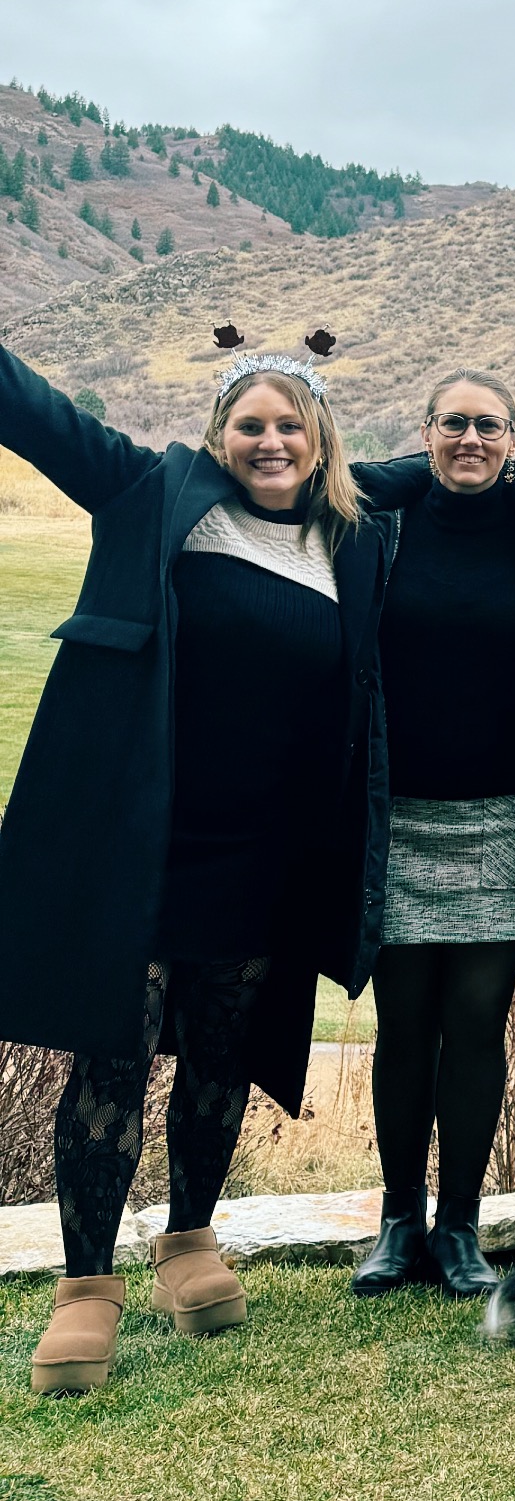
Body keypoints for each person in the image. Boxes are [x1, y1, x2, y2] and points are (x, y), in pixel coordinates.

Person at [2, 336, 388, 1396]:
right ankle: (86, 1287)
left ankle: (188, 1241)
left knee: (222, 1053)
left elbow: (455, 478)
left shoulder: (352, 540)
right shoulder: (156, 493)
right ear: (219, 436)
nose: (271, 441)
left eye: (290, 424)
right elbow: (39, 416)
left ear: (320, 439)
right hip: (143, 840)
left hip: (263, 854)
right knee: (114, 1056)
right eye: (249, 424)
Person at [348, 374, 515, 1298]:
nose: (471, 439)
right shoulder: (383, 530)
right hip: (398, 817)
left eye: (489, 426)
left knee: (479, 1022)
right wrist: (411, 473)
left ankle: (459, 1228)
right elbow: (336, 480)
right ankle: (398, 1222)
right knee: (403, 1023)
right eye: (454, 424)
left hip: (507, 817)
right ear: (426, 431)